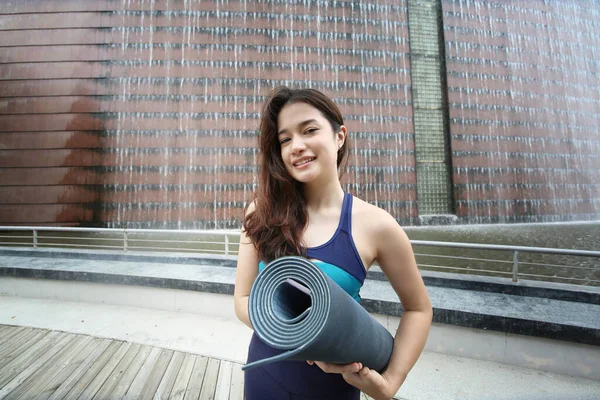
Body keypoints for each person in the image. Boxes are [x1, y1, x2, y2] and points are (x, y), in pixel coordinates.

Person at [234, 86, 432, 400]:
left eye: (309, 130)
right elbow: (244, 297)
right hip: (265, 373)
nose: (296, 146)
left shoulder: (376, 225)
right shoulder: (261, 212)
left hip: (333, 387)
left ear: (339, 136)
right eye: (285, 139)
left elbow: (418, 309)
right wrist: (296, 333)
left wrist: (389, 383)